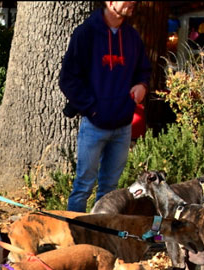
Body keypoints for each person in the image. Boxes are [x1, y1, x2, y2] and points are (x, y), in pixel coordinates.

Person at [60, 1, 151, 212]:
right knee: (83, 187)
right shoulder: (85, 34)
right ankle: (73, 239)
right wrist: (92, 108)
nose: (133, 3)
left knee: (110, 191)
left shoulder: (132, 37)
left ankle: (100, 238)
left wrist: (141, 85)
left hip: (123, 126)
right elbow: (68, 79)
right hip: (94, 125)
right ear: (110, 3)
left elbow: (143, 69)